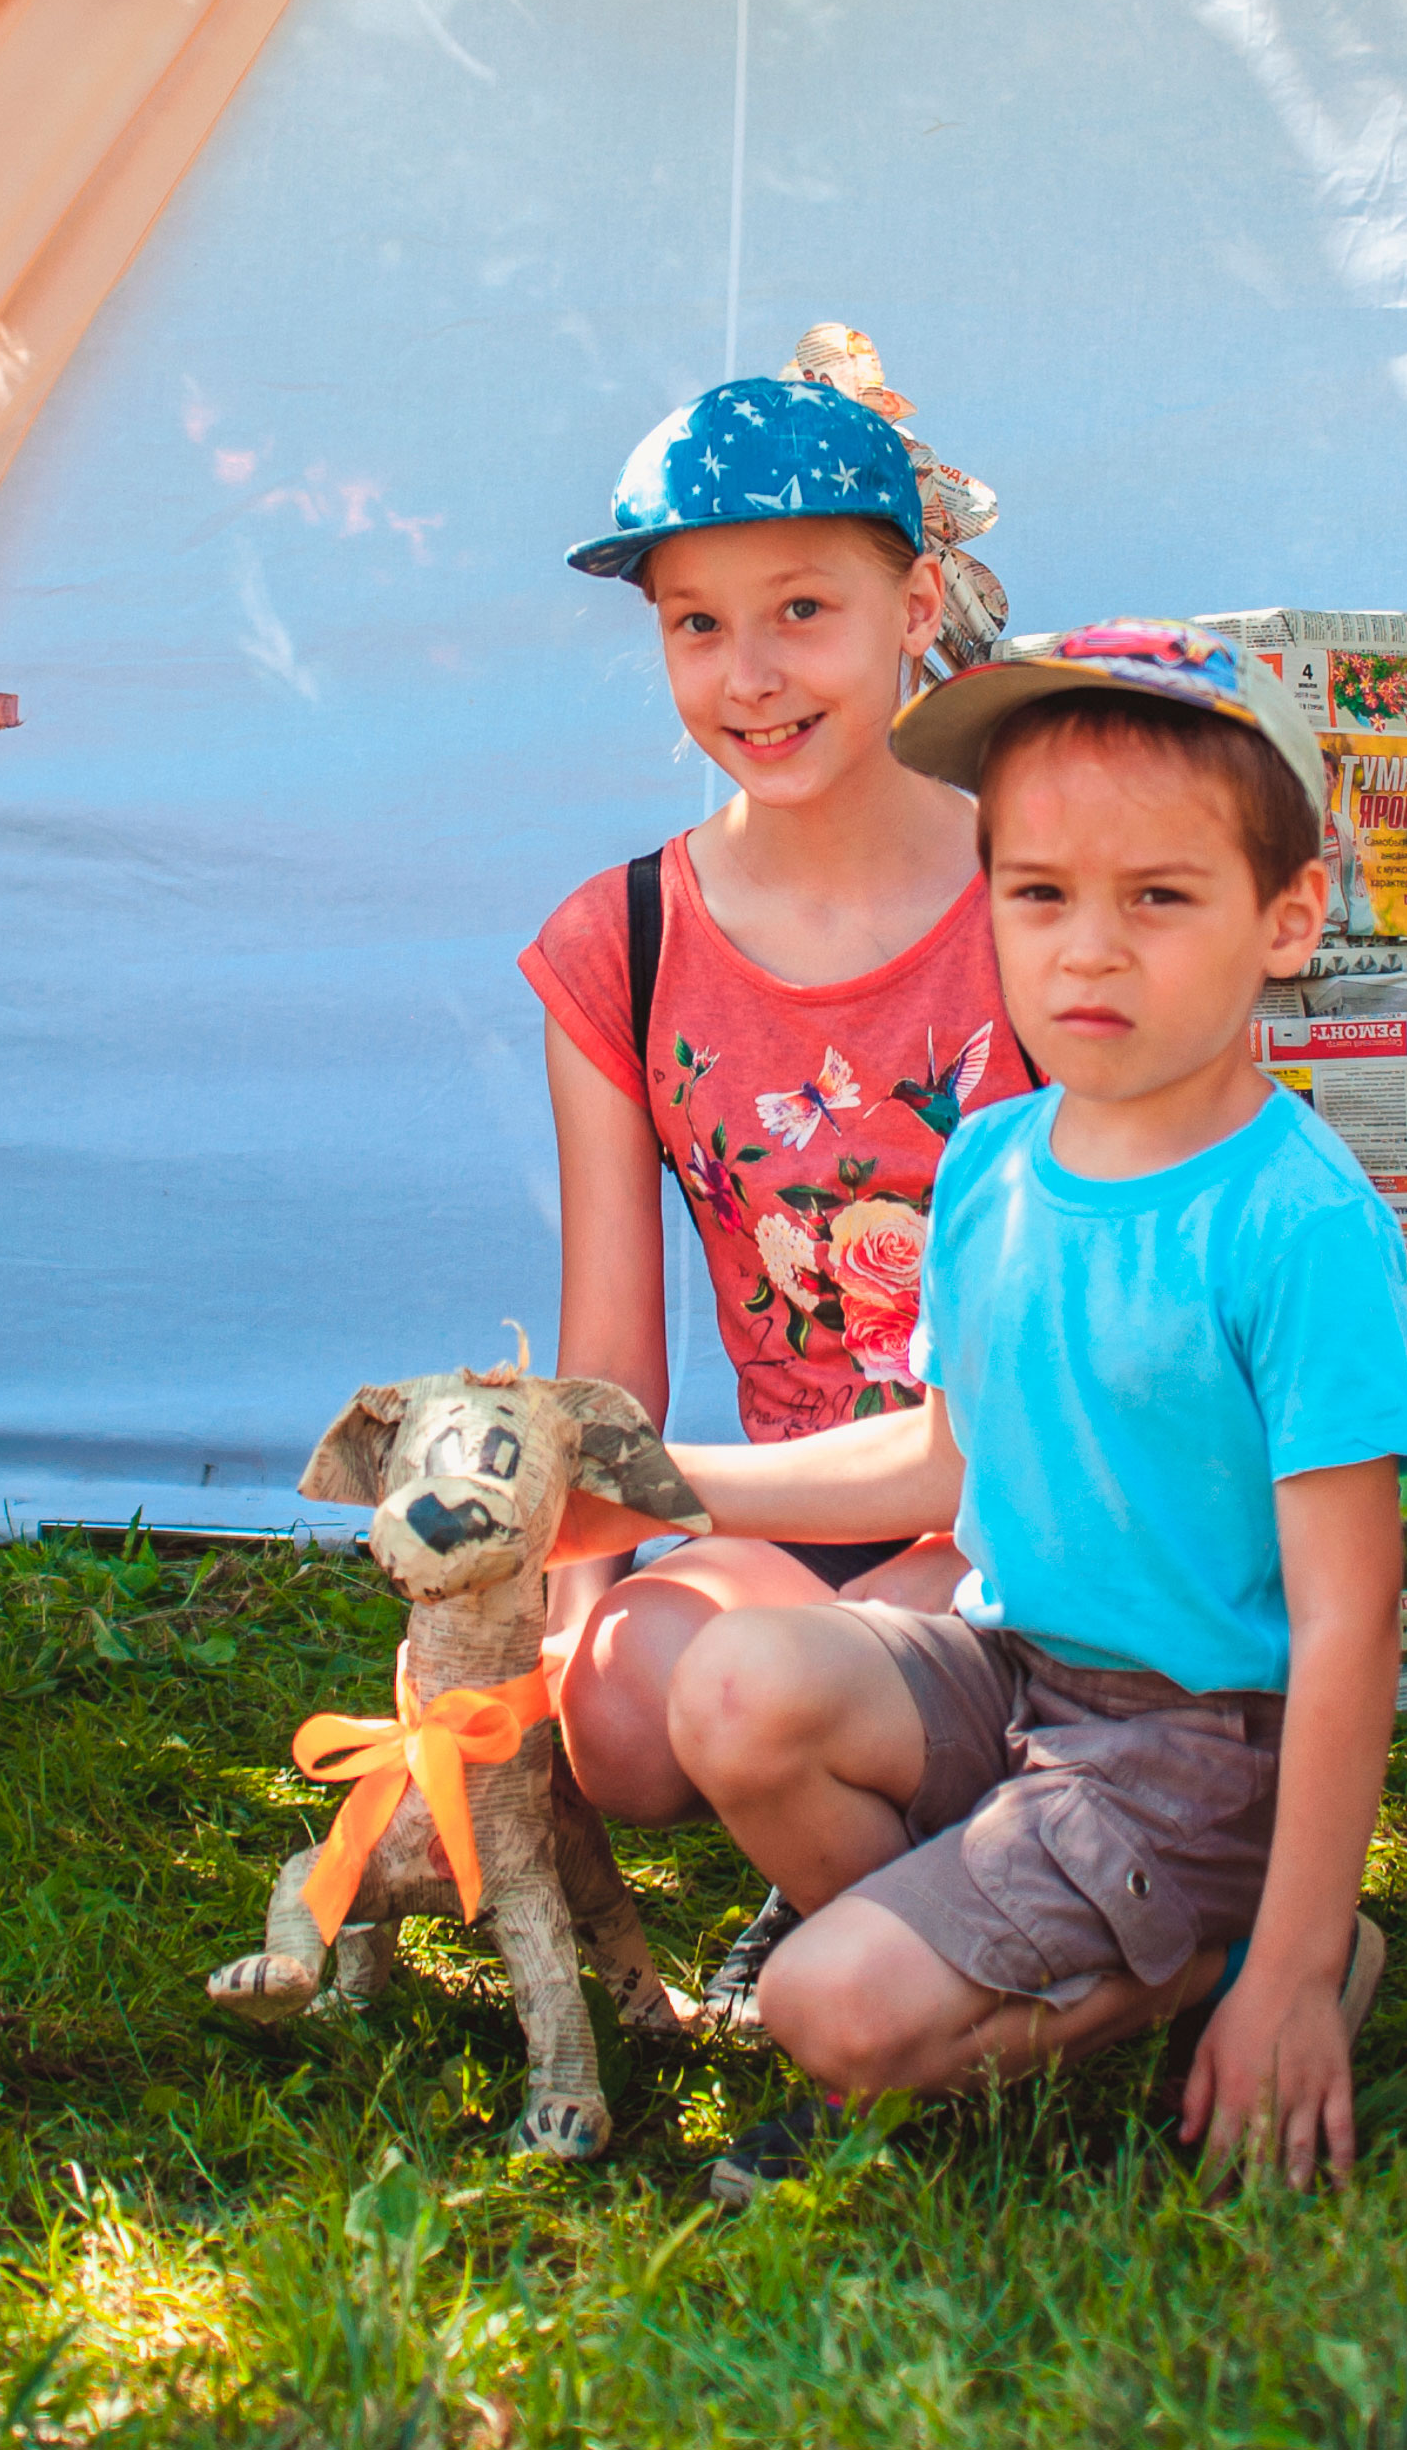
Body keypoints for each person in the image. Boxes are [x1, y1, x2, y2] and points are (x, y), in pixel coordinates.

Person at [658, 621, 1407, 2197]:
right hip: (1013, 1669)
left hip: (1199, 1737)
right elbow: (947, 1457)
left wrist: (1290, 1969)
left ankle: (1230, 1955)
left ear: (1288, 916)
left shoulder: (1296, 1219)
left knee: (817, 2002)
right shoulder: (994, 1159)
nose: (1088, 951)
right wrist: (661, 1482)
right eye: (1041, 893)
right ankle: (978, 1945)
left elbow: (1351, 1618)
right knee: (731, 1681)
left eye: (1160, 896)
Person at [520, 332, 1020, 1937]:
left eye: (803, 609)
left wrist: (649, 1496)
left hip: (1020, 1509)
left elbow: (1034, 1399)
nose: (749, 675)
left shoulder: (1038, 901)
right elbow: (609, 1352)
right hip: (785, 1515)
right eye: (697, 623)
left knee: (831, 1672)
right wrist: (568, 1603)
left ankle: (956, 1932)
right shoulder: (622, 940)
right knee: (616, 1707)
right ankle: (899, 1849)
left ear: (917, 606)